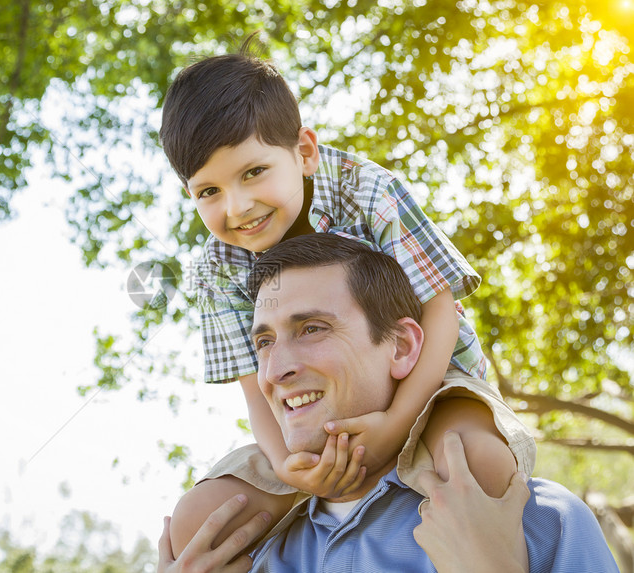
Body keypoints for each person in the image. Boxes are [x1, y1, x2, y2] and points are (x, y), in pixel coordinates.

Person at [159, 35, 536, 557]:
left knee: (478, 465)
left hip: (431, 385)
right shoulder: (217, 269)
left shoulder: (368, 191)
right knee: (197, 525)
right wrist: (291, 463)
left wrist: (393, 427)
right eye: (209, 192)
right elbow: (255, 386)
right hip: (311, 416)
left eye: (253, 172)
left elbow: (439, 310)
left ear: (305, 152)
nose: (238, 206)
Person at [158, 234, 619, 573]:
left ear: (400, 347)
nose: (276, 370)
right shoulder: (232, 558)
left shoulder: (542, 524)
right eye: (263, 342)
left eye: (312, 329)